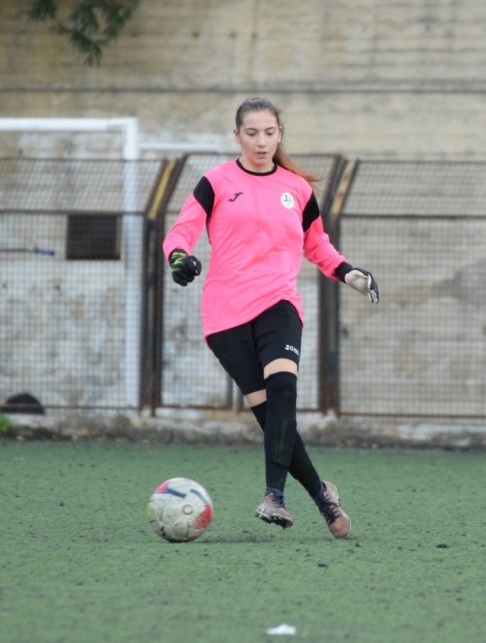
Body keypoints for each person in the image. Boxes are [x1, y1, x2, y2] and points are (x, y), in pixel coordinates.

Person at [162, 97, 379, 539]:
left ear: (280, 135)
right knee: (272, 419)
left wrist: (348, 271)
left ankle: (273, 497)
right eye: (252, 133)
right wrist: (179, 258)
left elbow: (316, 245)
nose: (261, 141)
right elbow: (181, 231)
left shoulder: (297, 189)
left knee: (283, 391)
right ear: (237, 136)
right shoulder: (216, 181)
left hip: (279, 303)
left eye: (269, 133)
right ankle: (322, 495)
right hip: (225, 316)